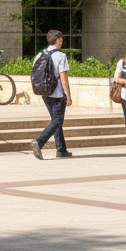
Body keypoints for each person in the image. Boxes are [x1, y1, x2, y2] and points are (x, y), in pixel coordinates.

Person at [31, 29, 74, 159]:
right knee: (57, 120)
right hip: (58, 93)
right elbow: (63, 76)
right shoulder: (60, 56)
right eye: (61, 40)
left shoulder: (40, 54)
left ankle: (61, 150)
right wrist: (68, 95)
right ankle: (39, 141)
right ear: (59, 41)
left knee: (56, 121)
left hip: (45, 92)